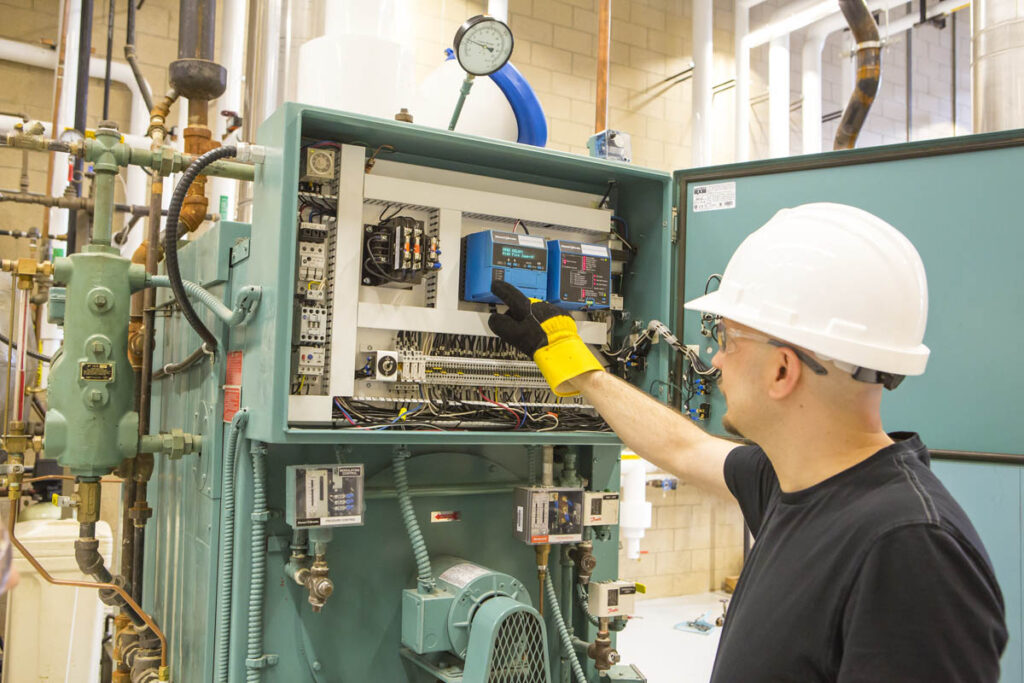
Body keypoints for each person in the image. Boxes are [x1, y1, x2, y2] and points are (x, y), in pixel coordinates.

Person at [488, 203, 1007, 682]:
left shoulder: (910, 549)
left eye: (727, 339)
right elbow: (684, 448)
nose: (713, 359)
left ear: (782, 369)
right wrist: (574, 363)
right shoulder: (795, 481)